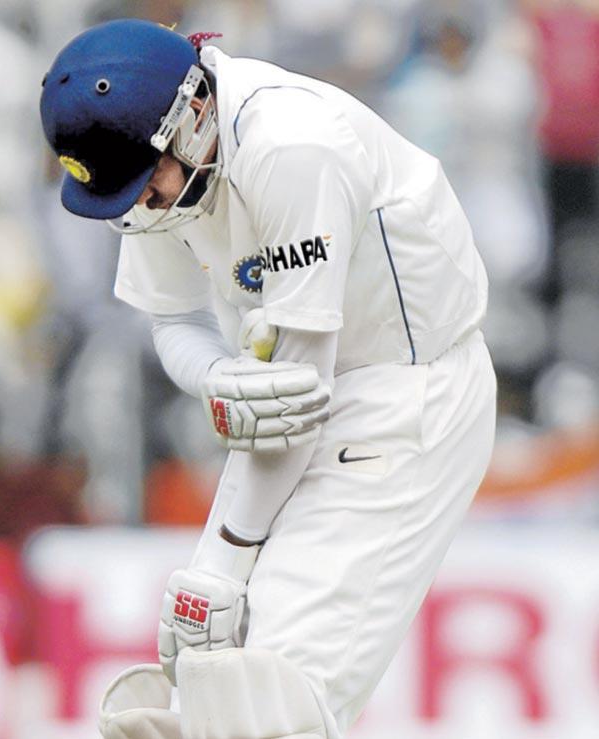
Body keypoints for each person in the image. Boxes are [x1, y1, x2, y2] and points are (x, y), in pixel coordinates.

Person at [39, 19, 497, 739]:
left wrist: (217, 564)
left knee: (270, 704)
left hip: (403, 398)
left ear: (192, 113)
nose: (145, 206)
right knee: (215, 698)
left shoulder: (291, 148)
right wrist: (219, 376)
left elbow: (296, 400)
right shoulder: (162, 164)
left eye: (147, 185)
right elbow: (175, 324)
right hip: (296, 397)